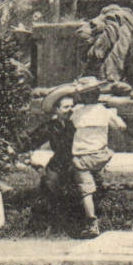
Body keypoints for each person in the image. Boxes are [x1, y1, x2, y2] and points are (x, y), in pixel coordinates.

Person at [67, 76, 126, 237]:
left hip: (81, 158)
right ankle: (100, 186)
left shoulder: (77, 113)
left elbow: (70, 123)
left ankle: (91, 222)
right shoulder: (105, 112)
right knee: (97, 175)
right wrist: (112, 115)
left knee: (86, 191)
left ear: (82, 96)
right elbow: (121, 126)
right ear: (98, 94)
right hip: (101, 155)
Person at [23, 80, 81, 231]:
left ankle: (72, 223)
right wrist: (27, 153)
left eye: (72, 106)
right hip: (58, 161)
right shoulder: (50, 126)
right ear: (57, 110)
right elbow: (32, 140)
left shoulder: (75, 124)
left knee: (76, 188)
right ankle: (41, 224)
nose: (70, 110)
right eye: (66, 107)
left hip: (74, 161)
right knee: (49, 184)